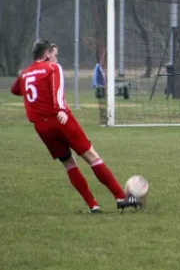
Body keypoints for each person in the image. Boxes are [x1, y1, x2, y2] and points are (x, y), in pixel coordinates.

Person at [10, 40, 139, 213]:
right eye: (55, 55)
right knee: (92, 157)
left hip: (41, 127)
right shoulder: (53, 68)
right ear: (47, 54)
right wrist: (61, 109)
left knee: (69, 164)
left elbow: (14, 90)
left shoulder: (25, 74)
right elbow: (58, 91)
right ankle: (120, 197)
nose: (56, 58)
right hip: (60, 119)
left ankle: (93, 205)